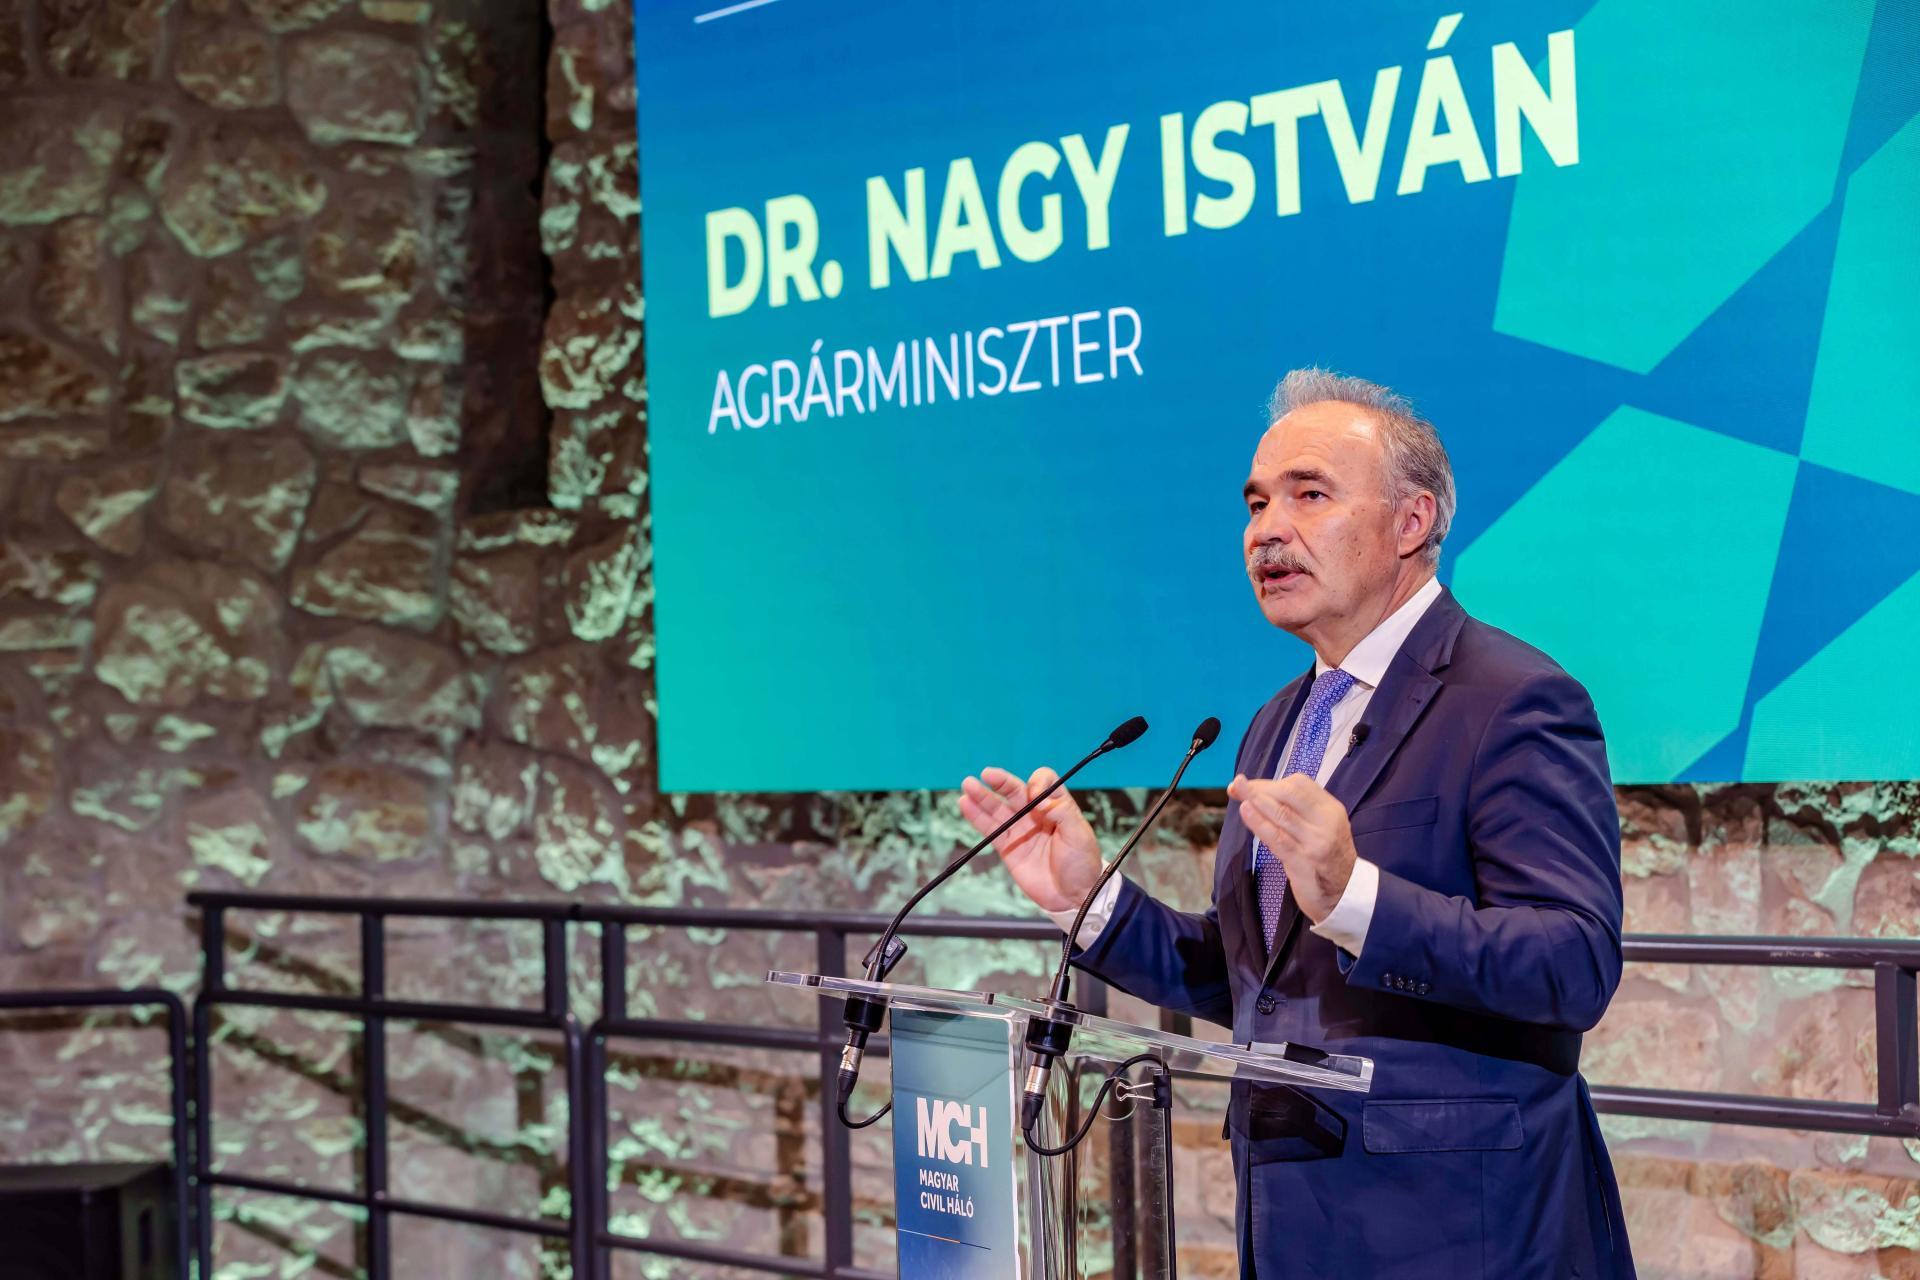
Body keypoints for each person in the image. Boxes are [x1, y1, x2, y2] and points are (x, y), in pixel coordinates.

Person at [959, 369, 1633, 1279]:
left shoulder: (1513, 700)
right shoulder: (1279, 722)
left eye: (1309, 495)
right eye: (1256, 503)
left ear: (1412, 522)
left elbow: (1573, 965)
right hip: (1292, 1230)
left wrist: (1357, 898)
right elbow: (1258, 983)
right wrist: (1091, 900)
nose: (1267, 529)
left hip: (1462, 1235)